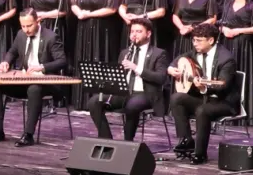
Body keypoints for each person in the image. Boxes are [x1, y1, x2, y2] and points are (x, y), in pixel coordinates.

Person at [0, 8, 67, 147]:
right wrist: (6, 62)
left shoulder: (51, 37)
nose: (26, 30)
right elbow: (12, 51)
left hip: (46, 83)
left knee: (34, 89)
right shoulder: (20, 34)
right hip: (25, 80)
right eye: (23, 26)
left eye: (29, 26)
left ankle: (28, 135)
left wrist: (42, 67)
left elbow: (62, 61)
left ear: (38, 21)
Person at [85, 18, 168, 141]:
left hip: (145, 94)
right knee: (94, 102)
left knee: (132, 106)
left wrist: (136, 68)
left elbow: (161, 78)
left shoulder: (158, 53)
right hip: (124, 92)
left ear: (148, 34)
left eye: (139, 31)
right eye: (132, 31)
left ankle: (128, 142)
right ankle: (106, 138)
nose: (134, 34)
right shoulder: (125, 53)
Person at [168, 23, 238, 164]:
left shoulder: (226, 59)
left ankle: (200, 153)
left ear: (211, 40)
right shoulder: (195, 52)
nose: (195, 44)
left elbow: (222, 86)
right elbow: (180, 58)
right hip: (203, 98)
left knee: (203, 110)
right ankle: (186, 139)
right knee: (176, 98)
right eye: (194, 40)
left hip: (223, 101)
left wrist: (204, 88)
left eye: (199, 40)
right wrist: (171, 67)